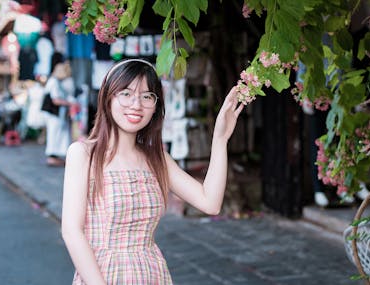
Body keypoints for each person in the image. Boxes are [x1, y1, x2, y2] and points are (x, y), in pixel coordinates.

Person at [61, 59, 244, 284]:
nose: (136, 104)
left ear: (156, 106)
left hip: (152, 274)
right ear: (108, 98)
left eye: (147, 96)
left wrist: (220, 139)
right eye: (126, 94)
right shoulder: (83, 154)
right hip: (103, 275)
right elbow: (72, 232)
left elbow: (210, 202)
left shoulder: (156, 158)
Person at [44, 61, 76, 166]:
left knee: (56, 135)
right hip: (54, 114)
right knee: (54, 135)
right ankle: (52, 157)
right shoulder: (54, 81)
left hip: (55, 114)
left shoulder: (55, 81)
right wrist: (69, 103)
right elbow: (55, 100)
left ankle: (54, 157)